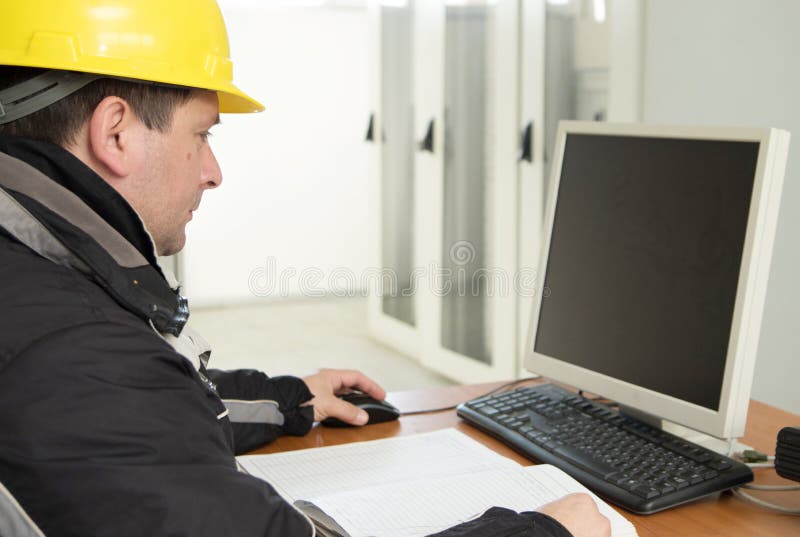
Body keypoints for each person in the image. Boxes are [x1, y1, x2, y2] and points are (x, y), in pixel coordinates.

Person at [0, 2, 610, 536]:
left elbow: (144, 427)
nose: (213, 171)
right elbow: (115, 404)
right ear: (115, 132)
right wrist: (543, 534)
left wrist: (291, 399)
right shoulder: (76, 353)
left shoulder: (34, 278)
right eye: (203, 134)